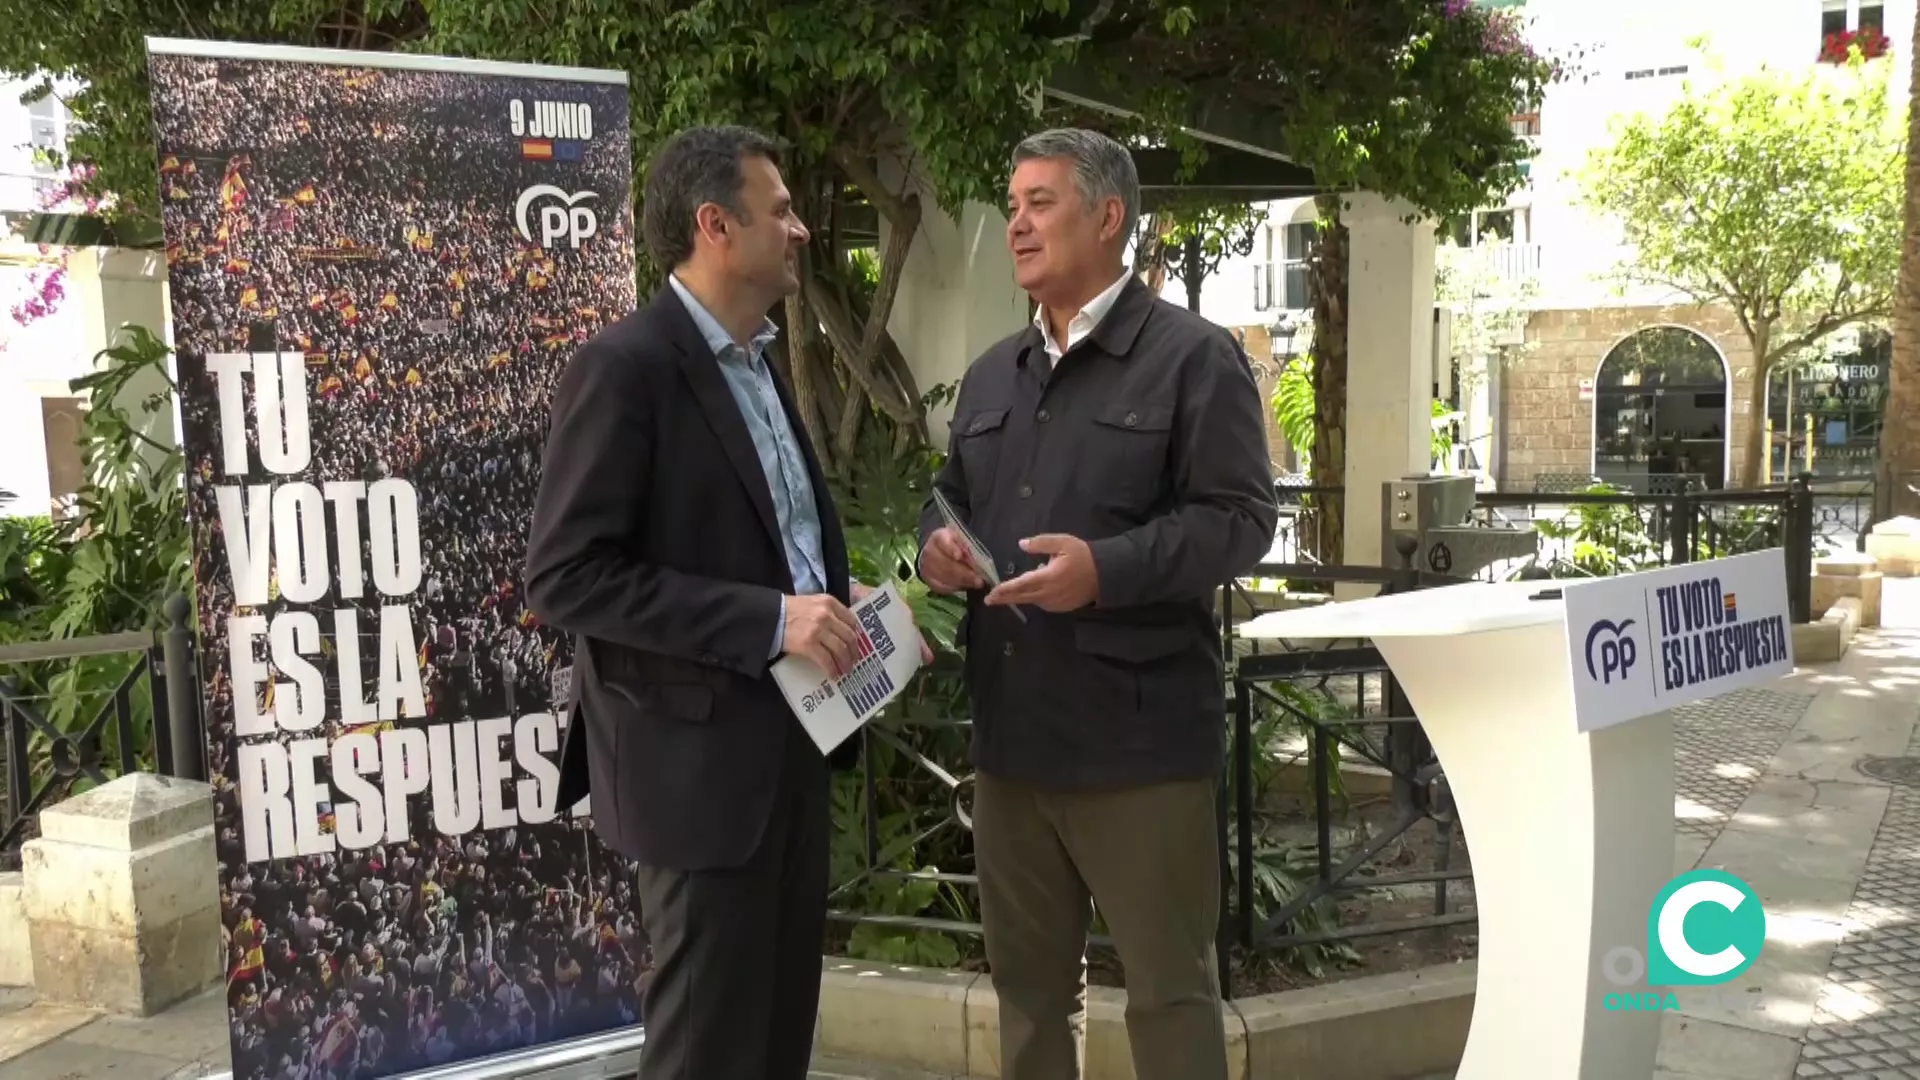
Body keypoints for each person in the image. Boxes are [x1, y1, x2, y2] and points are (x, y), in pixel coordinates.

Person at [526, 124, 924, 1080]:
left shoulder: (761, 362)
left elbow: (764, 537)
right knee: (708, 1052)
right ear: (716, 226)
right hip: (696, 778)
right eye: (780, 210)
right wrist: (771, 620)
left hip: (794, 746)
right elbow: (566, 575)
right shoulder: (626, 369)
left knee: (775, 1041)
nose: (801, 231)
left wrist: (840, 599)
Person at [916, 128, 1280, 1080]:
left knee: (1169, 996)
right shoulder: (996, 372)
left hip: (1141, 747)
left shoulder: (1194, 359)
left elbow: (1241, 521)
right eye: (1014, 204)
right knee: (1029, 1000)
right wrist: (937, 544)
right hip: (1013, 745)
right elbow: (948, 490)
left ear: (1108, 215)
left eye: (1041, 202)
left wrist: (1105, 571)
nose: (1018, 225)